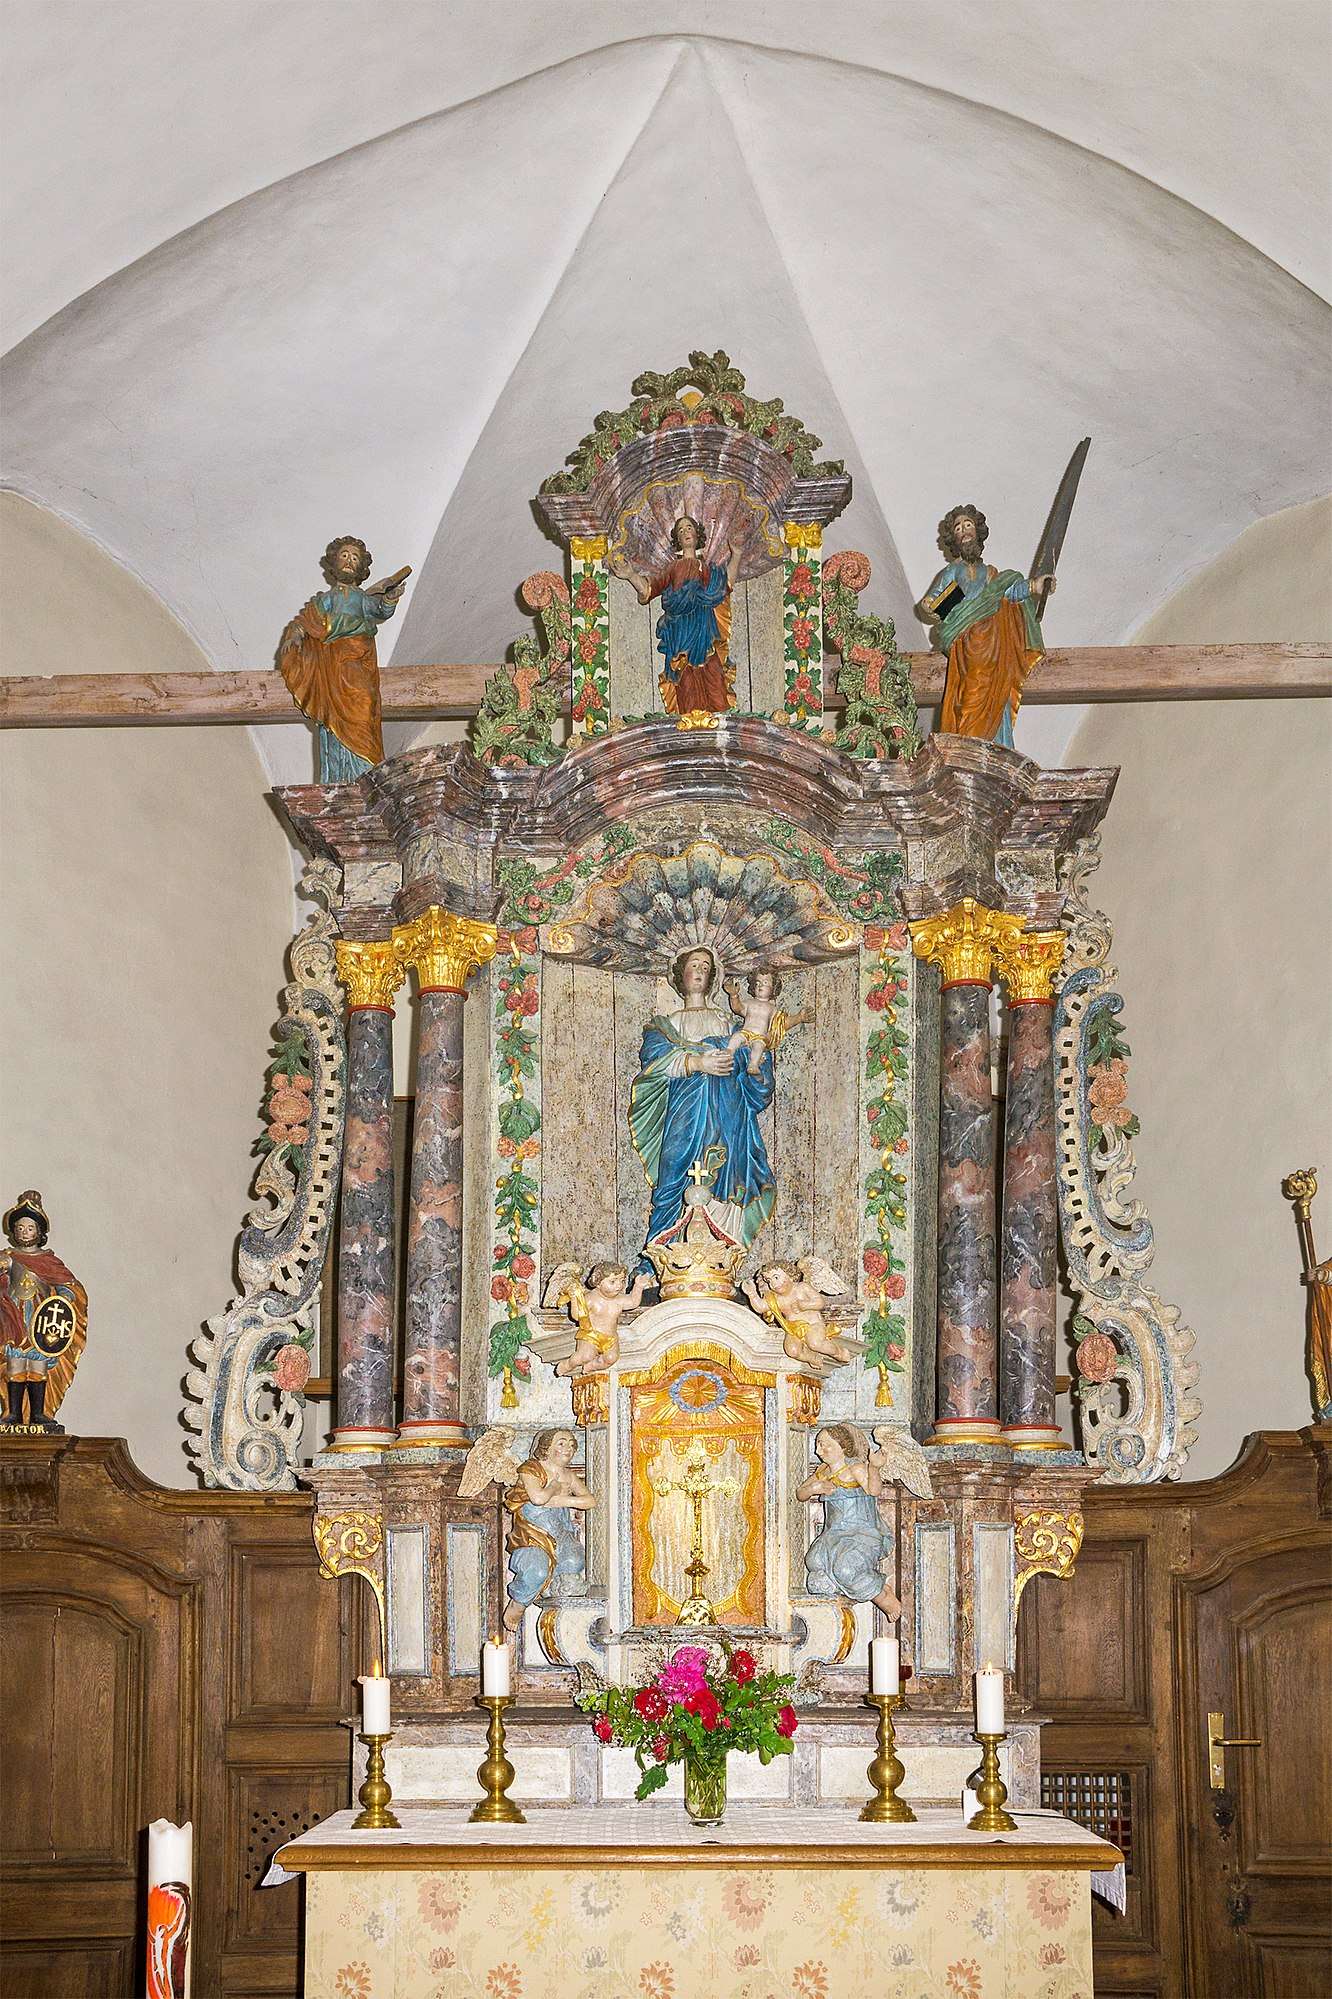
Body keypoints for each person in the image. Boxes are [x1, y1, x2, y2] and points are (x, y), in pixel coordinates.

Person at [629, 945, 776, 1266]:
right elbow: (654, 1062)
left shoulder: (728, 1024)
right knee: (673, 1168)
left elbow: (754, 1069)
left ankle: (721, 1261)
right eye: (694, 965)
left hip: (727, 1113)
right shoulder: (665, 1025)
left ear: (712, 979)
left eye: (706, 968)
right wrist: (698, 1062)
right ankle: (658, 1261)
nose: (699, 972)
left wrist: (754, 1061)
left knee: (723, 1171)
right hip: (684, 1111)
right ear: (679, 974)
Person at [914, 504, 1054, 745]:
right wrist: (931, 607)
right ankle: (970, 740)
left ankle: (995, 740)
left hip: (994, 642)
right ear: (954, 539)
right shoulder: (952, 571)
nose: (964, 531)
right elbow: (932, 602)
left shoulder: (991, 574)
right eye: (958, 529)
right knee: (972, 689)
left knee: (997, 689)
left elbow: (1010, 592)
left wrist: (1035, 585)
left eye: (968, 525)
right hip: (967, 642)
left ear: (977, 532)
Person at [277, 535, 409, 780]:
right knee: (333, 716)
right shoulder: (325, 600)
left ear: (361, 568)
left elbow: (380, 610)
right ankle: (340, 775)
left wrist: (390, 598)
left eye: (355, 558)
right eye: (344, 555)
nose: (349, 561)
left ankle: (366, 771)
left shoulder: (363, 598)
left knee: (366, 702)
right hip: (332, 666)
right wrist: (294, 635)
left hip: (358, 660)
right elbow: (304, 622)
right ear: (334, 563)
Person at [609, 515, 744, 715]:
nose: (685, 532)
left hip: (704, 630)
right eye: (680, 530)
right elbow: (649, 590)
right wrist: (631, 576)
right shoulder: (673, 568)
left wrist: (737, 555)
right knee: (685, 678)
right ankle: (688, 721)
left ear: (697, 535)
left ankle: (720, 721)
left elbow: (726, 584)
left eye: (689, 528)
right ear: (677, 540)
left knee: (713, 673)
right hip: (680, 632)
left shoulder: (707, 569)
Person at [0, 1191, 86, 1431]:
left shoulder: (49, 1262)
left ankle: (39, 1412)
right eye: (20, 1228)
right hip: (15, 1320)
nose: (24, 1232)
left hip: (40, 1322)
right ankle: (13, 1413)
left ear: (39, 1232)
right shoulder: (7, 1258)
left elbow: (67, 1285)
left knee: (37, 1365)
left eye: (29, 1228)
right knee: (16, 1364)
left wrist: (65, 1297)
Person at [797, 1423, 899, 1619]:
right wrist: (813, 1488)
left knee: (845, 1569)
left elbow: (874, 1490)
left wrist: (874, 1468)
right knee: (814, 1565)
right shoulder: (823, 1471)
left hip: (861, 1533)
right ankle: (840, 1597)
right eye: (818, 1444)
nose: (818, 1451)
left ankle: (883, 1595)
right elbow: (801, 1493)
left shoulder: (855, 1469)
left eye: (825, 1445)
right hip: (832, 1535)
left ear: (842, 1446)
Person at [503, 1429, 594, 1632]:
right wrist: (553, 1486)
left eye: (571, 1444)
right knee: (537, 1570)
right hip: (532, 1537)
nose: (568, 1448)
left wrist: (557, 1500)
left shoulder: (568, 1475)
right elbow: (538, 1498)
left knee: (575, 1561)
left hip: (559, 1532)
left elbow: (589, 1501)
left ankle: (558, 1594)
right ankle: (518, 1604)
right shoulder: (531, 1469)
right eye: (561, 1443)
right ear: (546, 1447)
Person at [553, 1262, 648, 1376]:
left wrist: (638, 1286)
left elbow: (633, 1302)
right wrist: (574, 1299)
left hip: (611, 1338)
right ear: (598, 1282)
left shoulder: (620, 1300)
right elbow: (577, 1316)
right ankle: (568, 1365)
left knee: (611, 1358)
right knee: (585, 1356)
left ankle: (591, 1366)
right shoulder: (591, 1298)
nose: (619, 1285)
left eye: (622, 1281)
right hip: (590, 1335)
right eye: (612, 1282)